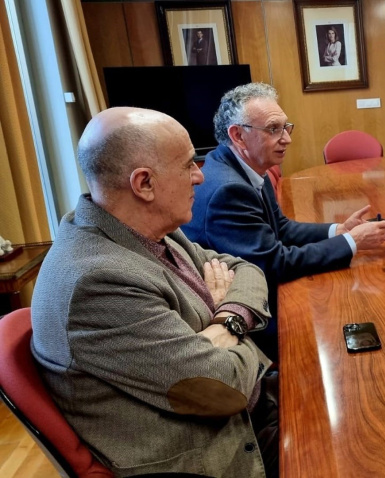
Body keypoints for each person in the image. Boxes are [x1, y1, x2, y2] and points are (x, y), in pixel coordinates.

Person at [30, 107, 279, 477]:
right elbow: (224, 387)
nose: (200, 175)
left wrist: (225, 319)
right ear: (143, 183)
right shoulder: (96, 282)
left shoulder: (150, 229)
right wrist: (234, 322)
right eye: (188, 165)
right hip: (223, 452)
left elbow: (246, 269)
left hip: (255, 405)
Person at [182, 83, 385, 356]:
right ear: (239, 136)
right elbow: (275, 263)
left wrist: (337, 230)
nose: (286, 138)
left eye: (285, 127)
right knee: (349, 315)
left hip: (261, 290)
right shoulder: (227, 190)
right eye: (273, 129)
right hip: (252, 319)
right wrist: (351, 242)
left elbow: (280, 228)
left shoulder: (248, 165)